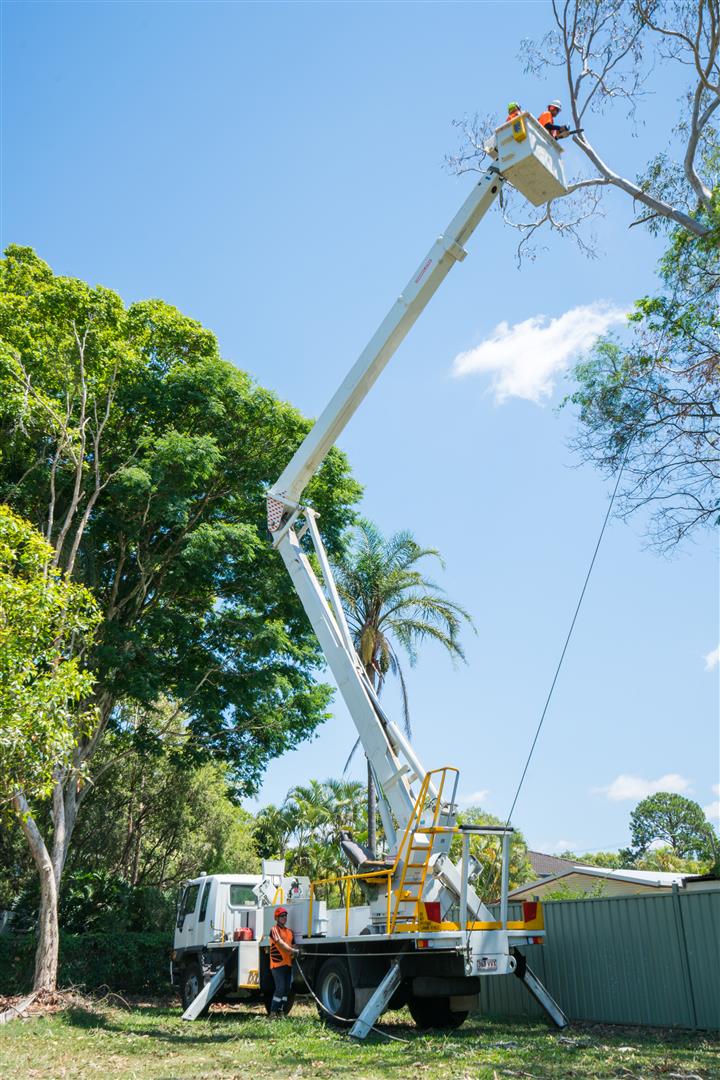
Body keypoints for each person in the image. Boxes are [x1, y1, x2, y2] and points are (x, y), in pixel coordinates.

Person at [268, 905, 299, 1016]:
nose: (284, 918)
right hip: (277, 965)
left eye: (285, 916)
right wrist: (292, 950)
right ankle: (272, 1012)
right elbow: (280, 944)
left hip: (288, 964)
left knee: (287, 990)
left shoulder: (290, 932)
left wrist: (296, 950)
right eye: (281, 916)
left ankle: (281, 1011)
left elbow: (294, 944)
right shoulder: (274, 930)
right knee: (280, 988)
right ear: (276, 918)